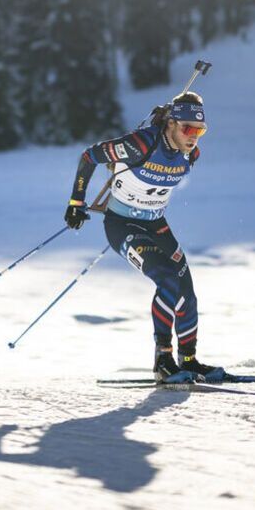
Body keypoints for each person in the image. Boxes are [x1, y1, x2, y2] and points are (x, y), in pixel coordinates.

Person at [63, 91, 216, 383]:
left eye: (200, 130)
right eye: (187, 128)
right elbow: (89, 156)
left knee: (186, 291)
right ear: (170, 123)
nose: (193, 136)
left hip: (157, 225)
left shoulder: (191, 153)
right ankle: (163, 360)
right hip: (123, 225)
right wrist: (75, 203)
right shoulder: (140, 144)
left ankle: (189, 360)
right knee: (167, 279)